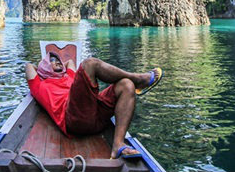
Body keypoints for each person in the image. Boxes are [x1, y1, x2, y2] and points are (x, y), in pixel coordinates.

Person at [25, 52, 163, 159]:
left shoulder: (69, 76)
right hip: (73, 119)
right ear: (44, 67)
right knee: (90, 63)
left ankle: (118, 144)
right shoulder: (39, 85)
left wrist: (57, 65)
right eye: (52, 61)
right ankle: (139, 79)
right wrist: (44, 69)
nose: (58, 63)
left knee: (126, 85)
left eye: (58, 60)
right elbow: (29, 66)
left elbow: (70, 62)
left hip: (95, 115)